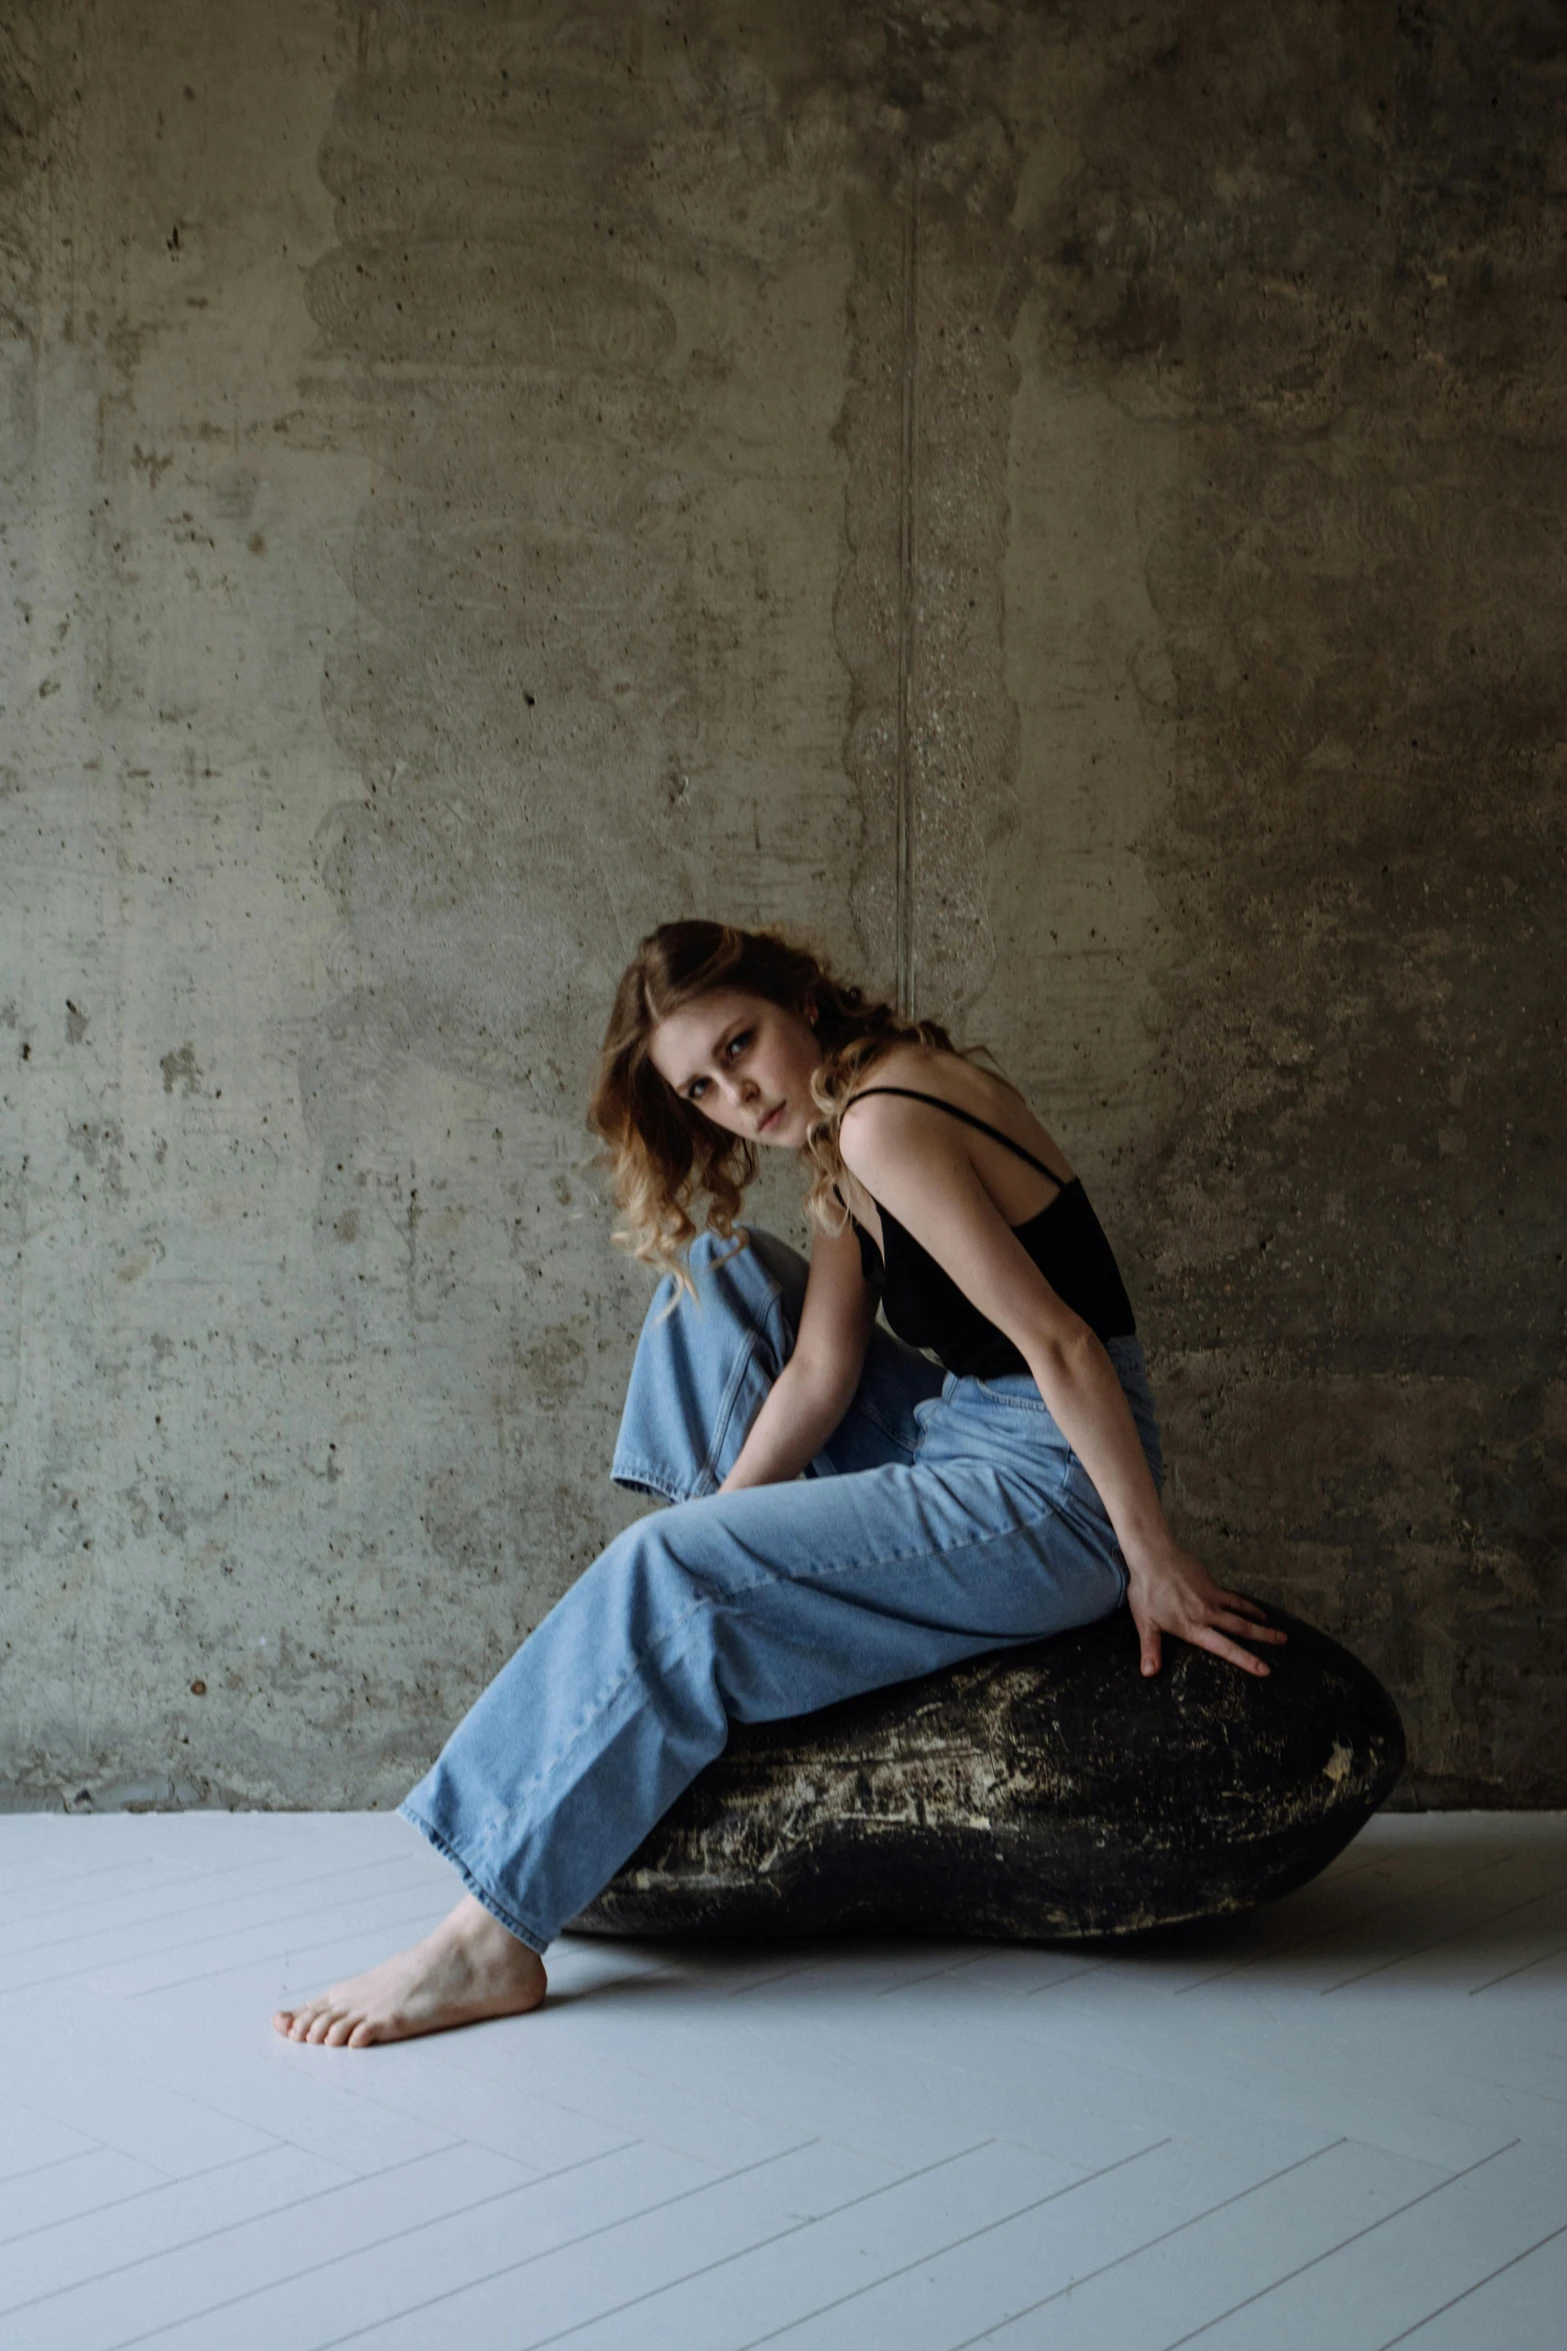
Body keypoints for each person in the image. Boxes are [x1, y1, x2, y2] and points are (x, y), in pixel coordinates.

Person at [274, 920, 1281, 2048]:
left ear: (798, 995)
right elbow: (818, 1367)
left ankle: (489, 1937)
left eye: (741, 1046)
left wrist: (1147, 1553)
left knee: (668, 1569)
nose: (736, 1095)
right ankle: (688, 1645)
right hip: (964, 1429)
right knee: (715, 1280)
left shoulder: (885, 1120)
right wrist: (722, 1534)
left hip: (1049, 1486)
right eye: (701, 1085)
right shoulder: (841, 1126)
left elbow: (1061, 1343)